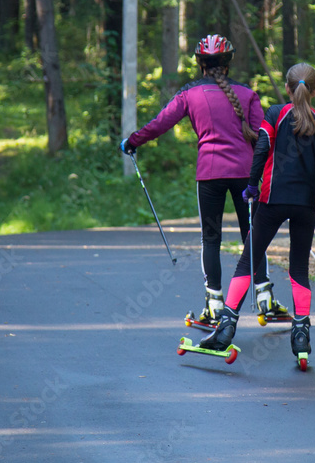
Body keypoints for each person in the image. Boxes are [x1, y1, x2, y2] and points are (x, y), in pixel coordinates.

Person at [120, 35, 290, 327]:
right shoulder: (247, 93)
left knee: (211, 239)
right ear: (228, 63)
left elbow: (161, 123)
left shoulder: (189, 93)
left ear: (200, 63)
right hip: (246, 175)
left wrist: (133, 141)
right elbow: (264, 136)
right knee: (254, 235)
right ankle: (265, 299)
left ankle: (214, 306)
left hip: (209, 175)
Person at [199, 62, 315, 362]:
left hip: (272, 201)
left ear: (288, 88)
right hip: (305, 206)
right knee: (298, 268)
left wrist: (251, 186)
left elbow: (261, 149)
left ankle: (225, 328)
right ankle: (301, 334)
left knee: (248, 260)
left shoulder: (275, 114)